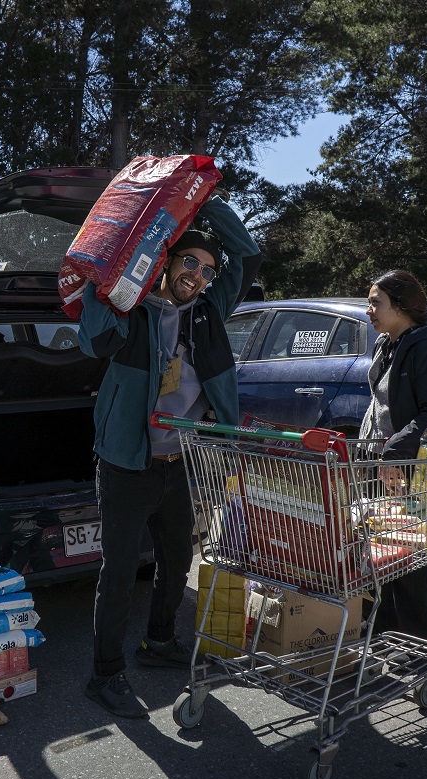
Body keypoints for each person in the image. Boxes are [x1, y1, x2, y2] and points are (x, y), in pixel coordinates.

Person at [77, 193, 261, 718]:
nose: (198, 276)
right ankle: (104, 674)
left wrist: (205, 201)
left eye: (206, 270)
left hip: (180, 463)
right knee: (117, 573)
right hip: (126, 465)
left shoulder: (207, 312)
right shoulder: (129, 310)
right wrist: (99, 283)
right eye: (190, 263)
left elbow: (245, 254)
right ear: (165, 260)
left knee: (178, 558)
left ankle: (158, 642)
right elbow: (93, 342)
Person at [359, 268, 427, 641]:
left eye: (375, 303)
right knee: (378, 554)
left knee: (410, 560)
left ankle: (418, 645)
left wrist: (395, 451)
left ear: (401, 306)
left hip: (408, 469)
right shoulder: (389, 343)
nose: (369, 310)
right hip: (377, 464)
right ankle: (383, 636)